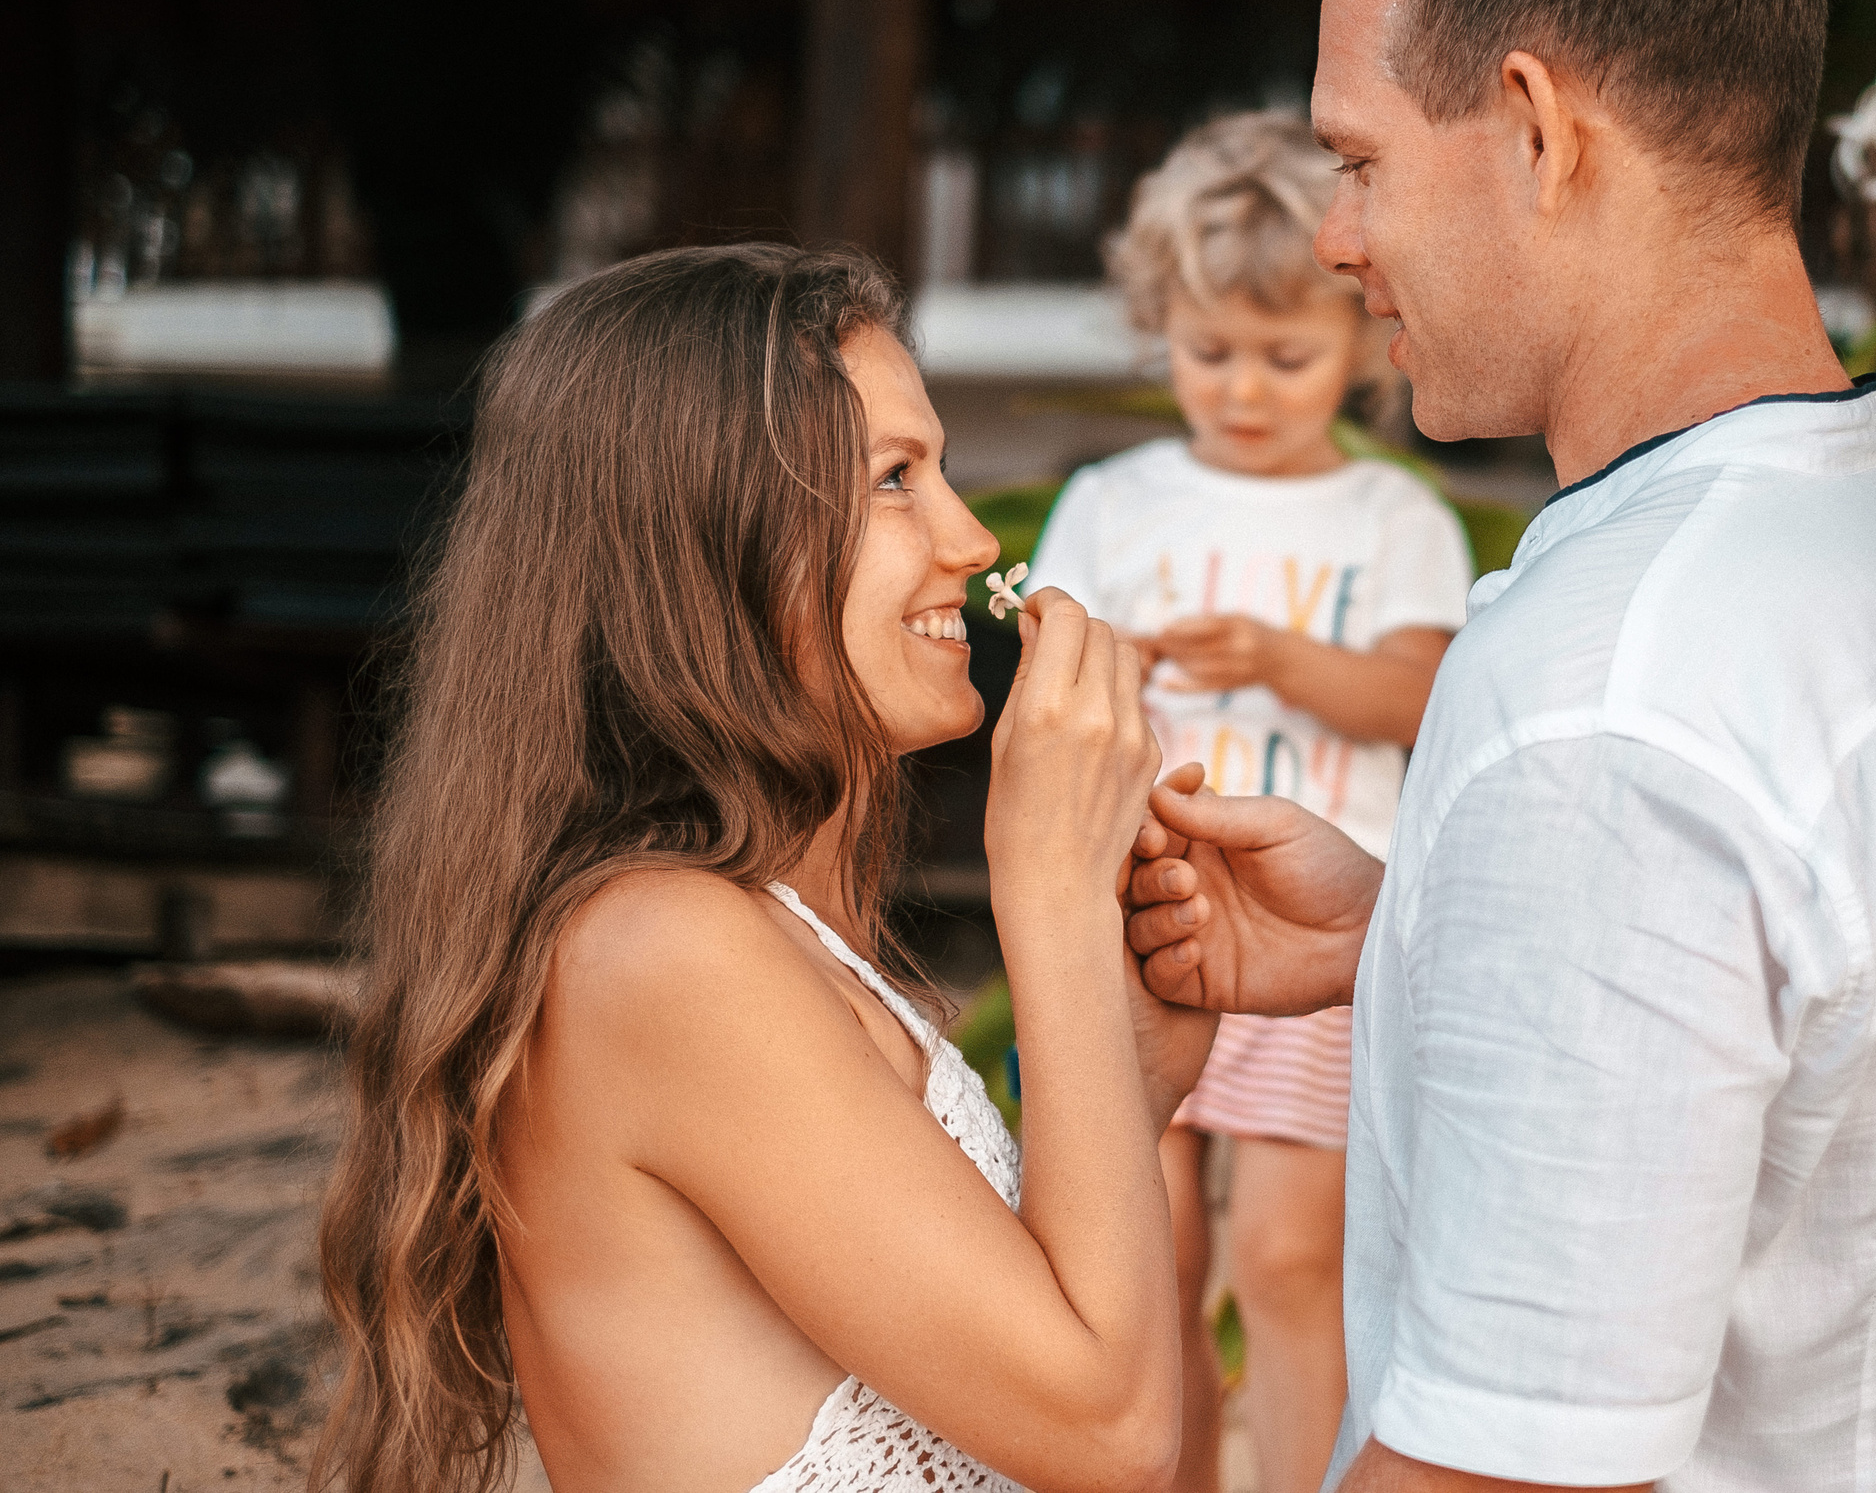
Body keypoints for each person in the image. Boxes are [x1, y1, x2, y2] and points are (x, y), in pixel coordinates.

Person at [1126, 0, 1876, 1491]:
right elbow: (1833, 1058)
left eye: (1358, 160)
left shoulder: (1609, 705)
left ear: (1535, 126)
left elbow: (1501, 1470)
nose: (1337, 238)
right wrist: (1424, 926)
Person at [314, 244, 1215, 1493]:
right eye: (896, 481)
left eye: (937, 470)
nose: (967, 537)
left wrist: (1127, 1063)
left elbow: (1028, 1358)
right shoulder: (660, 953)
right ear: (703, 549)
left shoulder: (762, 929)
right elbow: (1109, 1435)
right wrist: (1050, 892)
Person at [1029, 111, 1475, 1493]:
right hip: (1141, 922)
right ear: (1160, 324)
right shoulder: (1112, 501)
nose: (1243, 388)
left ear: (1357, 339)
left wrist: (1284, 659)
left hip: (1313, 933)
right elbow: (1046, 694)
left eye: (1286, 356)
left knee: (1292, 1254)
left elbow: (1425, 690)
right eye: (1208, 351)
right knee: (1141, 1249)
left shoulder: (1393, 518)